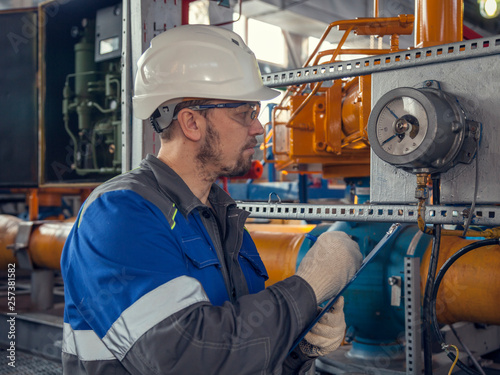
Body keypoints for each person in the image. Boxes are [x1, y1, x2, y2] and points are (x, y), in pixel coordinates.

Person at [60, 24, 362, 375]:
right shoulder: (118, 215)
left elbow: (239, 351)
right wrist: (306, 291)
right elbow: (187, 358)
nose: (259, 128)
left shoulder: (220, 216)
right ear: (191, 123)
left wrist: (299, 347)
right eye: (245, 113)